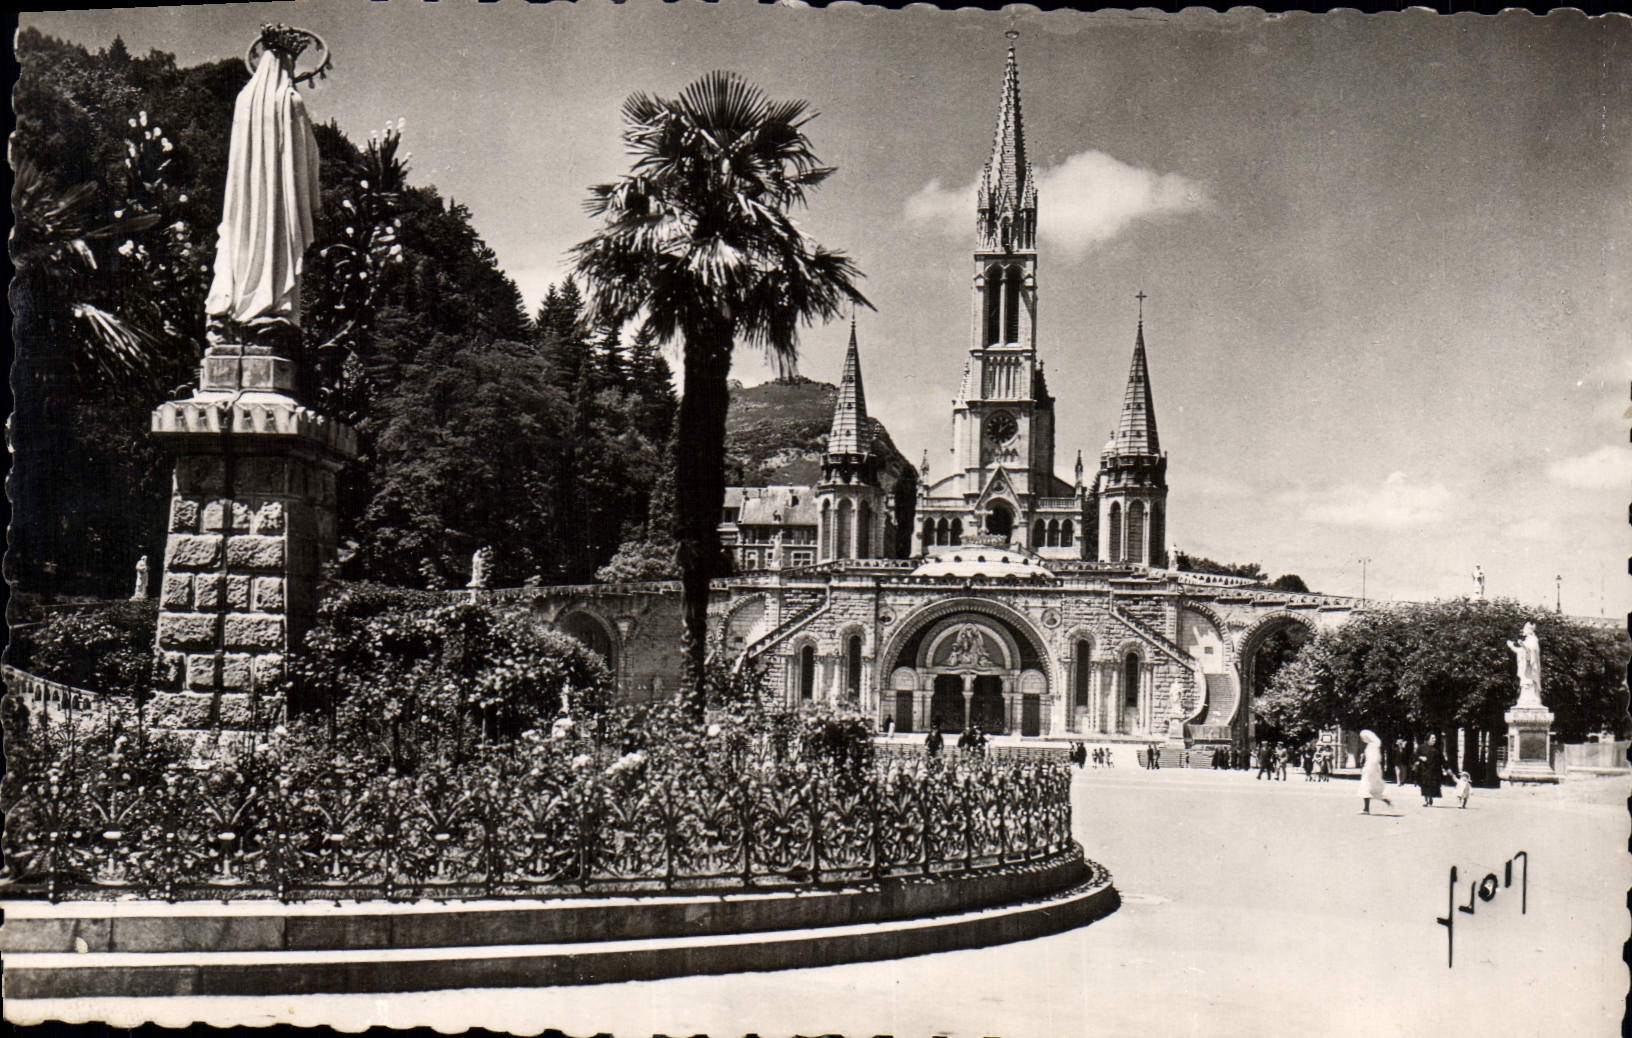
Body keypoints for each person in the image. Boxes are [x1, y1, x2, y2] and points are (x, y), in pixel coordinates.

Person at [1358, 729, 1392, 815]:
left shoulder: (1372, 746)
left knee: (1366, 787)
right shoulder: (1373, 745)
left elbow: (1373, 759)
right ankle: (1384, 799)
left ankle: (1366, 808)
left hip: (1370, 769)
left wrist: (1367, 769)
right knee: (1373, 787)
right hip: (1374, 769)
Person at [1415, 734, 1447, 807]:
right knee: (1425, 785)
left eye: (1435, 738)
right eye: (1432, 738)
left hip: (1435, 770)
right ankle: (1425, 800)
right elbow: (1415, 756)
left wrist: (1446, 768)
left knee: (1432, 785)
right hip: (1424, 770)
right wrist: (1420, 758)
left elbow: (1442, 759)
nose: (1434, 739)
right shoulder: (1422, 747)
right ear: (1428, 739)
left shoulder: (1437, 748)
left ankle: (1430, 798)